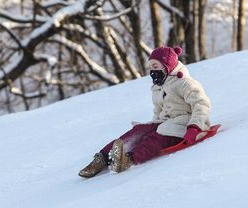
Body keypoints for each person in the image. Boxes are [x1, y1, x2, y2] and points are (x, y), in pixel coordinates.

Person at [79, 46, 211, 178]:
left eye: (156, 66)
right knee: (139, 131)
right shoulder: (158, 87)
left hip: (185, 125)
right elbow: (158, 111)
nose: (153, 71)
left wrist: (195, 127)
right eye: (151, 68)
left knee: (155, 138)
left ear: (167, 66)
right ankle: (102, 158)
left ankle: (128, 159)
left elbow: (201, 104)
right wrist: (149, 128)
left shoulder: (185, 83)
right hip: (165, 123)